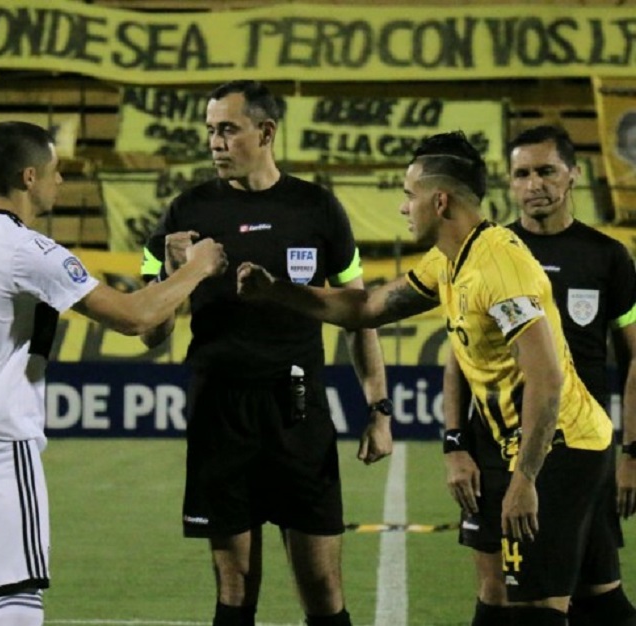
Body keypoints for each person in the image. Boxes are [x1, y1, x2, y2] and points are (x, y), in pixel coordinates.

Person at [237, 130, 614, 626]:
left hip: (561, 449)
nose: (402, 208)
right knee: (563, 601)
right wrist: (276, 292)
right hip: (520, 446)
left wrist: (525, 478)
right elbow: (368, 306)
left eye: (408, 194)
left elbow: (546, 380)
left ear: (439, 201)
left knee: (534, 611)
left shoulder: (500, 266)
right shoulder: (451, 259)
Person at [0, 121, 226, 626]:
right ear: (30, 176)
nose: (59, 183)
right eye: (55, 172)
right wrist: (197, 268)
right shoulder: (27, 249)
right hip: (1, 442)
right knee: (18, 597)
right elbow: (134, 318)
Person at [139, 80, 392, 626]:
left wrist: (379, 408)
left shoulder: (317, 208)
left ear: (266, 131)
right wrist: (170, 268)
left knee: (323, 586)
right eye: (210, 131)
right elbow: (150, 333)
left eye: (227, 129)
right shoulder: (185, 212)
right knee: (234, 588)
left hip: (298, 409)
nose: (215, 142)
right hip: (219, 412)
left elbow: (357, 313)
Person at [441, 125, 636, 626]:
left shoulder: (607, 257)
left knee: (582, 592)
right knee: (500, 589)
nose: (534, 185)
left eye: (546, 171)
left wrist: (633, 454)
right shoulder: (490, 252)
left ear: (573, 175)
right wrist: (455, 444)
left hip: (575, 449)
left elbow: (634, 358)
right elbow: (459, 356)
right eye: (522, 174)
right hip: (498, 447)